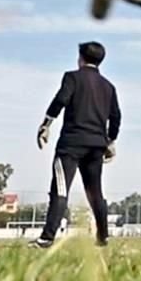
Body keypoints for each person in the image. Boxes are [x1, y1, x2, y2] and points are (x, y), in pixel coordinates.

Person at [33, 41, 121, 249]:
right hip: (96, 145)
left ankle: (47, 238)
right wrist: (111, 140)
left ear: (81, 58)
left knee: (61, 190)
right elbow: (116, 116)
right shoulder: (109, 87)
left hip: (71, 145)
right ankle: (103, 237)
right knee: (95, 192)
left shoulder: (72, 77)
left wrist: (46, 124)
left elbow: (61, 100)